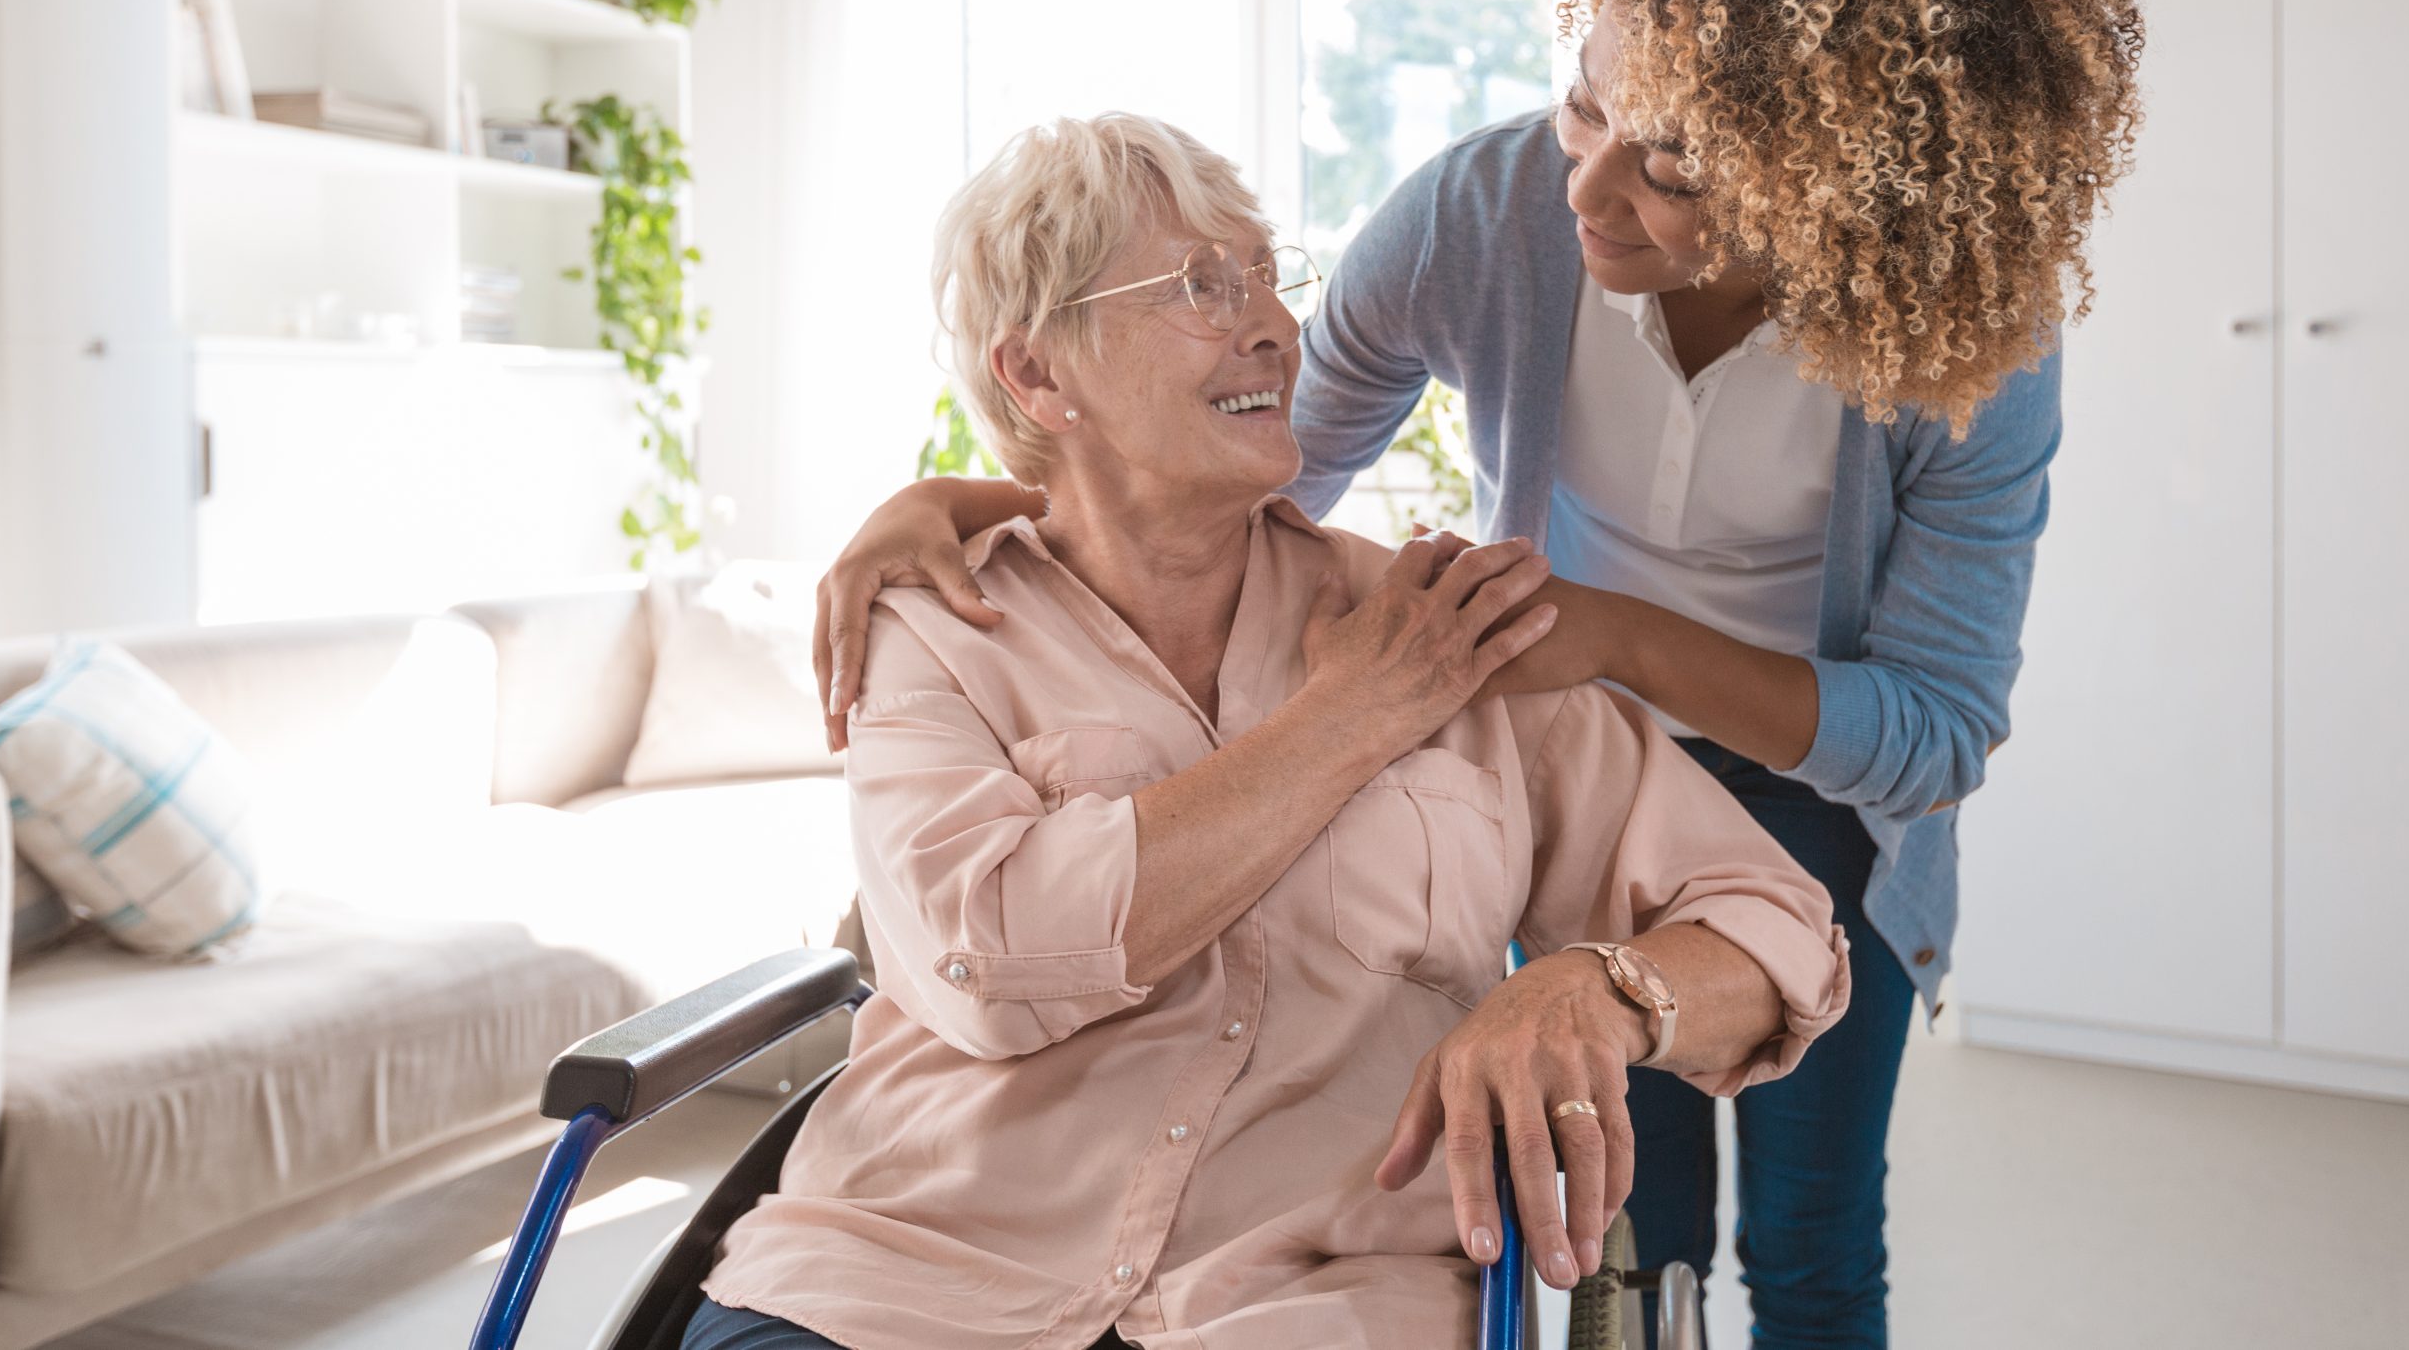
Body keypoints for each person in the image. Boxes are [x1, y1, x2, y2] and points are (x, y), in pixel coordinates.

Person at [812, 0, 2142, 1347]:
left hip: (1819, 804)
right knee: (1605, 1231)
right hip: (1556, 770)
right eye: (1585, 105)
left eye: (1677, 173)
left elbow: (1932, 732)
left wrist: (1612, 633)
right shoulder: (1483, 212)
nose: (1589, 194)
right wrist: (999, 496)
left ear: (1843, 198)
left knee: (1807, 1245)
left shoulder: (1963, 347)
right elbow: (1248, 475)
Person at [691, 115, 1849, 1350]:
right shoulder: (932, 626)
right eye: (1201, 285)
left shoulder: (1444, 629)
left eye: (1266, 276)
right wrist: (1346, 722)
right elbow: (997, 962)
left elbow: (1781, 934)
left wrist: (1600, 989)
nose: (1276, 325)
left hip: (1308, 1306)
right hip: (906, 1281)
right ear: (1035, 375)